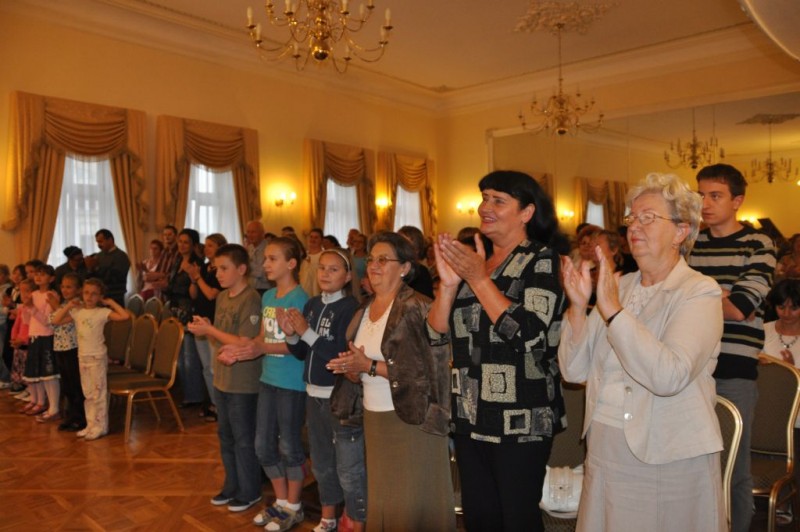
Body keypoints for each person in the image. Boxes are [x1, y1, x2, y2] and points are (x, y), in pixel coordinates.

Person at [559, 172, 726, 531]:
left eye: (648, 217)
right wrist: (578, 307)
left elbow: (669, 376)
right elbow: (573, 371)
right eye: (632, 217)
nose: (634, 226)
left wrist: (614, 312)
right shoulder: (619, 285)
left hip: (668, 451)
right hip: (606, 444)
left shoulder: (699, 291)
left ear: (681, 231)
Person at [427, 170, 567, 532]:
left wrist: (478, 279)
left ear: (526, 213)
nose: (485, 207)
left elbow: (528, 335)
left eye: (498, 200)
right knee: (480, 518)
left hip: (521, 417)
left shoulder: (541, 260)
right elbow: (435, 335)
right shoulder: (478, 261)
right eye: (484, 198)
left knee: (517, 519)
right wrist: (448, 285)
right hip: (471, 412)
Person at [333, 231, 455, 532]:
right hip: (375, 418)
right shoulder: (364, 309)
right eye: (371, 259)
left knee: (411, 503)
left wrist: (368, 366)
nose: (374, 265)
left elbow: (430, 371)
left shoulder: (418, 307)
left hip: (412, 420)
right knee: (385, 499)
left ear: (405, 268)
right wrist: (353, 369)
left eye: (383, 260)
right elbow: (365, 363)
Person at [688, 163, 775, 532]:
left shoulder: (759, 244)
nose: (705, 203)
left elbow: (740, 307)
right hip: (690, 367)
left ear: (737, 201)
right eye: (700, 195)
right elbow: (671, 299)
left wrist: (700, 296)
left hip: (734, 369)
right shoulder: (691, 243)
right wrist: (720, 294)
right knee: (693, 464)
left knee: (734, 467)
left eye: (715, 195)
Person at [219, 237, 309, 529]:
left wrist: (261, 348)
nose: (265, 264)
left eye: (272, 259)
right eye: (265, 258)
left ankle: (294, 506)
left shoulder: (300, 299)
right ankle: (280, 502)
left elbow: (298, 347)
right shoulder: (268, 297)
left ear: (291, 263)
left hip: (291, 383)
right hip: (267, 378)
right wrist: (241, 350)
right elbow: (262, 337)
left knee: (290, 446)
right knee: (263, 446)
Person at [279, 248, 363, 532]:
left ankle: (352, 519)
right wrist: (291, 334)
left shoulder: (351, 308)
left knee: (347, 466)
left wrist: (306, 332)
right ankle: (328, 517)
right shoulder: (313, 304)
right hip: (312, 394)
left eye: (333, 269)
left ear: (348, 276)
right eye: (322, 268)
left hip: (337, 397)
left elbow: (340, 355)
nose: (325, 274)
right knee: (322, 462)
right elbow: (303, 352)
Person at [186, 244, 263, 514]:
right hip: (222, 379)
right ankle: (232, 485)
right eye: (216, 268)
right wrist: (207, 328)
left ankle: (250, 491)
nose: (218, 274)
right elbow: (221, 338)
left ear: (241, 269)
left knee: (244, 439)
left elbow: (244, 342)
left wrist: (211, 331)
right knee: (225, 436)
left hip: (243, 382)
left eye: (224, 268)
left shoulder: (251, 298)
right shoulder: (221, 297)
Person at [51, 278, 129, 441]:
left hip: (97, 357)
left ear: (100, 296)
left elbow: (124, 316)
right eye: (86, 293)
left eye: (94, 294)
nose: (89, 297)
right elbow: (56, 321)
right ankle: (91, 424)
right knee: (88, 393)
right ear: (81, 294)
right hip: (82, 356)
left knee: (98, 393)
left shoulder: (102, 312)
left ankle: (101, 426)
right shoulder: (78, 312)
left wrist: (110, 302)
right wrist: (68, 306)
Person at [164, 228, 205, 408]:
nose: (181, 245)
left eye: (185, 242)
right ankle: (187, 394)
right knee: (179, 358)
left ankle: (195, 396)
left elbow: (194, 294)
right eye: (180, 241)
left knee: (190, 358)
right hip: (175, 310)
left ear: (194, 245)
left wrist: (192, 278)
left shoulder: (197, 263)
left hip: (188, 311)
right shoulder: (177, 260)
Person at [187, 233, 226, 421]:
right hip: (200, 320)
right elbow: (194, 294)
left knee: (213, 367)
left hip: (213, 322)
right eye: (206, 245)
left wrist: (199, 278)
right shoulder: (203, 267)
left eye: (210, 245)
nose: (206, 248)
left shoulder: (221, 270)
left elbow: (211, 294)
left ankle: (221, 406)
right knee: (205, 367)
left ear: (220, 247)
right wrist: (193, 279)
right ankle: (214, 403)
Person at [47, 272, 85, 431]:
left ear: (78, 289)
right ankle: (71, 415)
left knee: (75, 384)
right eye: (62, 286)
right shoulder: (65, 304)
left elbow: (56, 320)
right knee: (67, 384)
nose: (64, 290)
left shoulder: (78, 305)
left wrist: (61, 306)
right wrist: (60, 306)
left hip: (72, 348)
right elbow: (51, 320)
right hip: (60, 347)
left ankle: (80, 417)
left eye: (69, 287)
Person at [23, 264, 59, 421]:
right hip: (34, 336)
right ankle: (39, 401)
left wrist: (31, 308)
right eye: (37, 274)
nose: (38, 277)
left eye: (43, 274)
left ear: (51, 278)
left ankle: (54, 408)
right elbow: (27, 320)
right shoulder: (34, 294)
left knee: (49, 374)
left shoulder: (51, 295)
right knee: (35, 372)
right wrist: (26, 307)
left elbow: (48, 321)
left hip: (46, 337)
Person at [84, 229, 130, 306]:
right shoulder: (98, 255)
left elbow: (116, 277)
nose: (99, 245)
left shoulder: (121, 256)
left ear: (110, 240)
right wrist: (90, 268)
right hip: (98, 296)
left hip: (115, 297)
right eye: (97, 242)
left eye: (101, 241)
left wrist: (97, 267)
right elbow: (92, 279)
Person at [397, 225, 435, 299]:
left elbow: (423, 302)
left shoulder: (421, 273)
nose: (397, 248)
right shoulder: (392, 266)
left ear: (416, 250)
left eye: (402, 245)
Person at [246, 220, 271, 295]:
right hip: (250, 289)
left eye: (253, 232)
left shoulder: (269, 249)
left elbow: (264, 274)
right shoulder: (248, 249)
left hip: (265, 289)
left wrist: (249, 268)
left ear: (262, 233)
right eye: (248, 232)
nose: (250, 235)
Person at [300, 228, 324, 298]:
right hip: (302, 292)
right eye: (311, 237)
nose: (313, 240)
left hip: (316, 293)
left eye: (316, 237)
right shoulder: (304, 255)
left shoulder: (324, 256)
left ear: (321, 240)